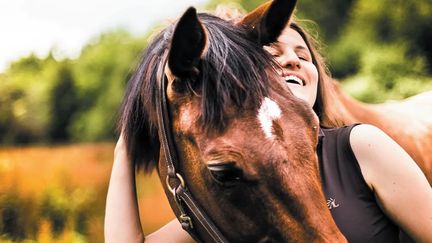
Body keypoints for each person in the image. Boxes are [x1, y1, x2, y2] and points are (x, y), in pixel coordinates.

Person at [104, 16, 432, 243]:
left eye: (303, 56)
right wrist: (126, 146)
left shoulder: (361, 146)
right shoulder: (240, 183)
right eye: (275, 54)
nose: (292, 60)